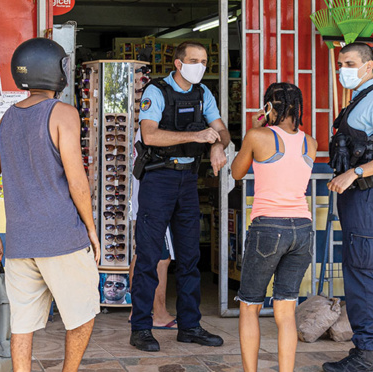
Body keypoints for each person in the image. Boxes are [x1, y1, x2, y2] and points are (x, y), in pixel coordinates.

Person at [0, 38, 100, 372]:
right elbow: (77, 181)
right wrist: (91, 229)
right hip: (62, 237)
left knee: (23, 325)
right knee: (83, 315)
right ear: (55, 71)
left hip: (20, 242)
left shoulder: (6, 120)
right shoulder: (63, 114)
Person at [130, 40, 230, 352]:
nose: (199, 65)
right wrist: (196, 136)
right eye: (194, 60)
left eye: (204, 60)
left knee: (190, 258)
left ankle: (190, 326)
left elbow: (222, 130)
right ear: (178, 63)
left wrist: (216, 144)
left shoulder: (204, 94)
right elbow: (150, 134)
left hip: (188, 179)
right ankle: (141, 328)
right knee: (149, 256)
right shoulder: (156, 91)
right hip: (158, 178)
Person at [323, 43, 373, 372]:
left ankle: (364, 354)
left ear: (369, 65)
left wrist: (353, 173)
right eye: (341, 62)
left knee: (362, 273)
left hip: (368, 194)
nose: (344, 68)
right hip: (363, 196)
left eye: (351, 63)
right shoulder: (361, 98)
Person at [231, 82, 317, 372]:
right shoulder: (311, 142)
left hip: (268, 228)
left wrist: (255, 132)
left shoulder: (258, 135)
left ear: (269, 107)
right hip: (302, 229)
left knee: (249, 305)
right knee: (285, 309)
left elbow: (236, 171)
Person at [128, 128, 177, 329]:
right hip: (154, 202)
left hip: (144, 200)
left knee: (143, 254)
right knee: (161, 259)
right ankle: (159, 313)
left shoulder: (145, 128)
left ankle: (137, 309)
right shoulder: (156, 129)